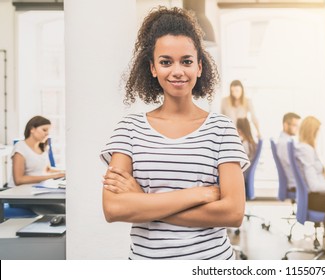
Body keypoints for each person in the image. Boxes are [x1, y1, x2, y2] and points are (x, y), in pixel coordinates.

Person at [100, 7, 249, 260]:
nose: (177, 71)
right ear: (153, 68)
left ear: (200, 67)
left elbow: (233, 213)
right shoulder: (129, 129)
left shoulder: (222, 129)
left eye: (187, 61)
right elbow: (113, 208)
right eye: (166, 62)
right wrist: (197, 195)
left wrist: (142, 201)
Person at [8, 115, 65, 214]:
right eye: (44, 130)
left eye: (48, 131)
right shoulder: (20, 148)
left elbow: (47, 169)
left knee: (67, 205)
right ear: (32, 129)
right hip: (20, 196)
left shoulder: (42, 147)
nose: (47, 134)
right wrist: (54, 176)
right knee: (62, 210)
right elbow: (19, 180)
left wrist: (64, 172)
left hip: (36, 192)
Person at [277, 112, 301, 190]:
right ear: (285, 125)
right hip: (294, 183)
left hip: (295, 181)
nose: (297, 128)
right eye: (295, 125)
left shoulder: (287, 141)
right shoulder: (284, 143)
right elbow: (292, 164)